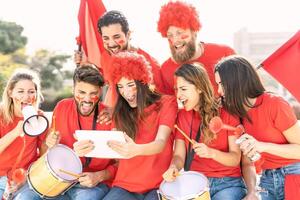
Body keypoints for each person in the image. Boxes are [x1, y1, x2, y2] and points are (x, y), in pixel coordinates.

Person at [17, 65, 116, 200]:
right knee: (24, 198)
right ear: (73, 89)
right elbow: (46, 151)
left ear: (100, 91)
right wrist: (50, 144)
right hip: (57, 178)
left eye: (93, 93)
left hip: (92, 183)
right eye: (81, 92)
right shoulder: (62, 106)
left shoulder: (110, 116)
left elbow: (121, 163)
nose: (87, 99)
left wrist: (100, 176)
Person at [214, 55, 300, 200]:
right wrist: (252, 191)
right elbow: (247, 163)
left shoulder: (275, 104)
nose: (219, 91)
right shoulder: (236, 114)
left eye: (222, 84)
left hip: (293, 174)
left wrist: (262, 146)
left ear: (237, 81)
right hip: (266, 179)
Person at [95, 51, 177, 200]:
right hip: (124, 186)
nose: (126, 92)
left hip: (158, 186)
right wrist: (91, 146)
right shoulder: (119, 112)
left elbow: (160, 143)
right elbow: (114, 149)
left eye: (130, 85)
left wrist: (136, 150)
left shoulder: (167, 103)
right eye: (120, 86)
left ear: (143, 81)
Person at [163, 63, 246, 200]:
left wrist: (211, 153)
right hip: (195, 185)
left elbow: (235, 159)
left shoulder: (227, 113)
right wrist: (173, 167)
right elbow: (179, 156)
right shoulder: (182, 116)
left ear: (199, 88)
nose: (178, 95)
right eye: (177, 90)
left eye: (183, 89)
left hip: (228, 184)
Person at [75, 10, 164, 97]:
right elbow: (106, 80)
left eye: (116, 37)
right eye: (106, 38)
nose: (111, 44)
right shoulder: (105, 57)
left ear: (128, 34)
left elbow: (160, 101)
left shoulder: (149, 64)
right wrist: (86, 64)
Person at [157, 1, 235, 95]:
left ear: (194, 32)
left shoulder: (225, 54)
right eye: (170, 35)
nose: (175, 40)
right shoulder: (166, 70)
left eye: (179, 32)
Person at [0, 69, 47, 199]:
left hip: (26, 178)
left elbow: (43, 155)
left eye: (31, 92)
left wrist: (26, 177)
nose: (26, 97)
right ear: (10, 92)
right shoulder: (1, 115)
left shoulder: (39, 118)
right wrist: (15, 132)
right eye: (20, 91)